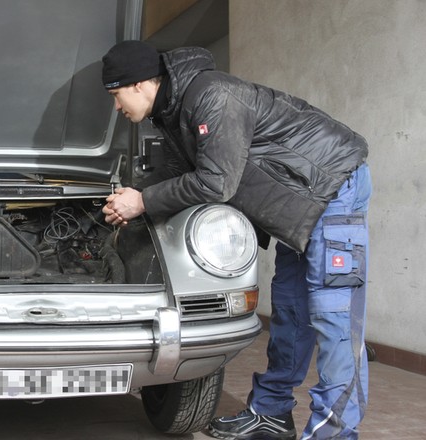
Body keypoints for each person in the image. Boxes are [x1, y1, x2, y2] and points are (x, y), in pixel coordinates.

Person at [101, 40, 371, 440]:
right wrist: (131, 198)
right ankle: (271, 412)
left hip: (332, 192)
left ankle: (336, 432)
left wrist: (143, 201)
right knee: (292, 312)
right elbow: (178, 172)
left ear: (140, 84)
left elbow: (216, 181)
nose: (117, 108)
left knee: (333, 317)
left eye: (116, 95)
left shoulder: (213, 96)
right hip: (296, 208)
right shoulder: (174, 111)